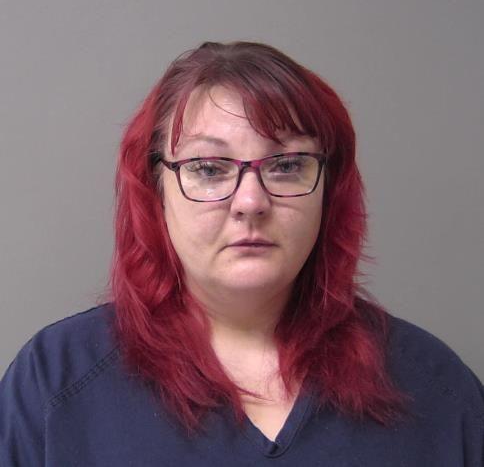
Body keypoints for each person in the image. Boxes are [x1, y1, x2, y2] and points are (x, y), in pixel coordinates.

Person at [0, 40, 482, 466]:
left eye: (287, 164)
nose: (251, 202)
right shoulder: (55, 384)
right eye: (209, 168)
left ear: (329, 190)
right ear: (155, 190)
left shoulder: (437, 391)